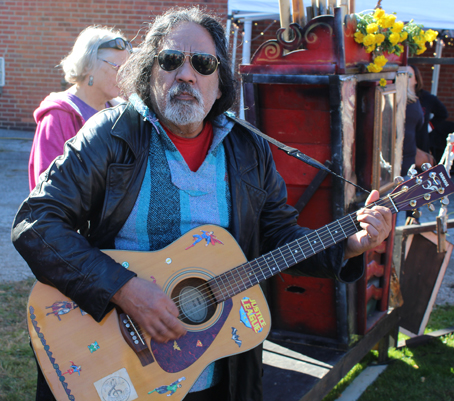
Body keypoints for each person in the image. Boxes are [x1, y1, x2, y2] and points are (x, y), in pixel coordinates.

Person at [12, 7, 392, 401]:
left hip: (216, 377)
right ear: (150, 71)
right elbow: (36, 223)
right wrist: (123, 289)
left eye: (203, 63)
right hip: (116, 363)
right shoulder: (111, 135)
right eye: (171, 60)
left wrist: (348, 245)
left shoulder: (250, 150)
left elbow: (278, 234)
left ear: (220, 79)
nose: (187, 74)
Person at [29, 26, 132, 190]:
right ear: (86, 66)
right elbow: (48, 188)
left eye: (127, 69)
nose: (124, 76)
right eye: (116, 67)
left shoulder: (122, 112)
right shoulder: (58, 115)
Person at [410, 64, 448, 155]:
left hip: (420, 143)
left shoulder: (426, 98)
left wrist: (429, 126)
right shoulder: (396, 96)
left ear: (416, 79)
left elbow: (443, 114)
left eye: (410, 76)